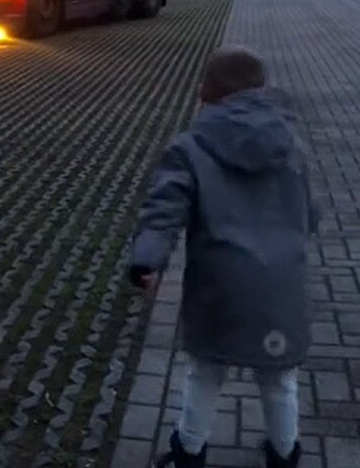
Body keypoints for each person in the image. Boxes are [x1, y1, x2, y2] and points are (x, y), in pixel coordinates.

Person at [130, 47, 320, 468]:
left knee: (205, 374)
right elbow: (312, 214)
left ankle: (190, 451)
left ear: (206, 92)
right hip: (281, 287)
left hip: (221, 287)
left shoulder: (191, 146)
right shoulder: (290, 145)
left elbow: (163, 211)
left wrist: (147, 261)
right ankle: (285, 453)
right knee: (279, 379)